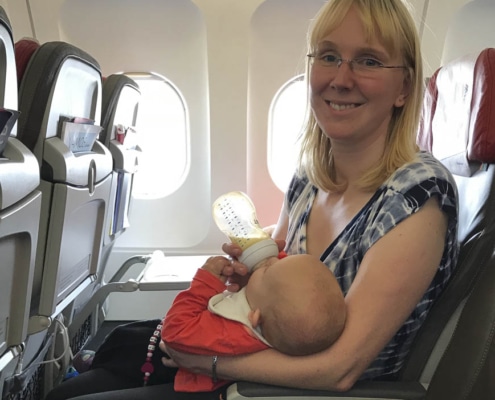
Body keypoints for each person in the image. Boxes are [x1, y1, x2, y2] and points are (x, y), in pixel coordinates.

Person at [45, 0, 459, 398]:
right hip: (247, 355)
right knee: (87, 375)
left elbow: (340, 370)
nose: (341, 77)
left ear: (404, 86)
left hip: (283, 391)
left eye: (368, 60)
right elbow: (274, 269)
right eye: (328, 56)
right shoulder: (310, 174)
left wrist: (202, 360)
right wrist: (247, 274)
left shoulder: (416, 199)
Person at [162, 252, 346, 392]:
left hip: (173, 369)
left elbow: (174, 331)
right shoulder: (270, 317)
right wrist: (271, 253)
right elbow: (286, 282)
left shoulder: (232, 333)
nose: (274, 260)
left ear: (255, 317)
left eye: (267, 270)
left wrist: (206, 283)